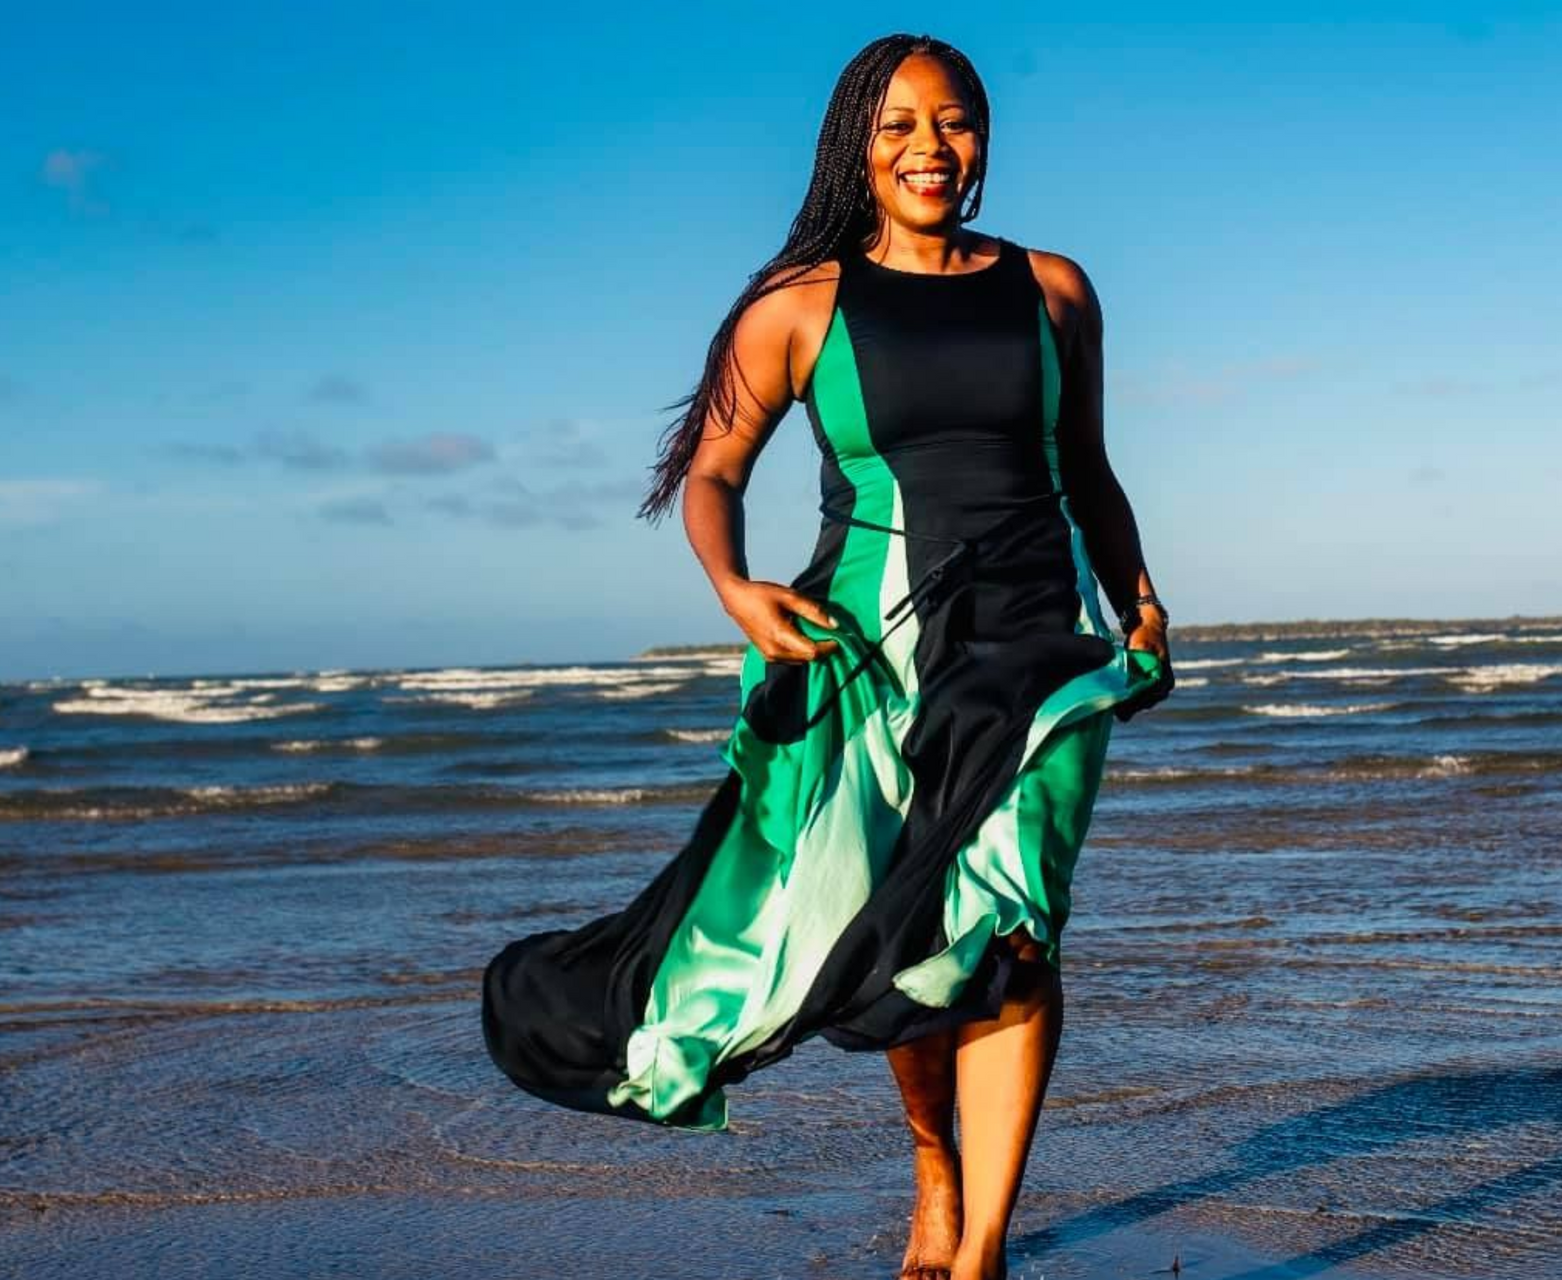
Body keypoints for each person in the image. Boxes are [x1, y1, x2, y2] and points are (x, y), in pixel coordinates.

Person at [481, 32, 1174, 1280]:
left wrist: (1139, 599)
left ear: (984, 137)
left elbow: (1090, 471)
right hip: (876, 644)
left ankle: (982, 1256)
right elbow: (712, 475)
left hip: (1037, 641)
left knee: (1016, 930)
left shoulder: (1056, 289)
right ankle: (934, 1166)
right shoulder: (802, 307)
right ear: (859, 141)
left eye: (953, 121)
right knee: (911, 933)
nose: (930, 147)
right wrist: (737, 589)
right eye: (900, 123)